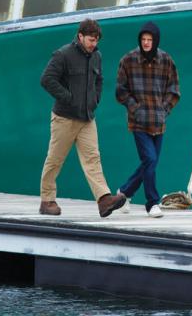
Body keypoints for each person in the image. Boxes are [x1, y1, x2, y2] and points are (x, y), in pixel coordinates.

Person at [39, 18, 126, 217]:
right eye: (91, 40)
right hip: (64, 118)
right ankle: (47, 200)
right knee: (55, 160)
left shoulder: (97, 56)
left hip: (87, 118)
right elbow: (47, 79)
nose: (94, 44)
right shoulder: (63, 54)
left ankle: (104, 200)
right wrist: (67, 97)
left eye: (96, 41)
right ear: (80, 36)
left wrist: (95, 99)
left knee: (93, 159)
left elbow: (99, 80)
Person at [115, 22, 180, 218]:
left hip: (158, 122)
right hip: (138, 122)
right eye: (143, 39)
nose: (146, 43)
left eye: (149, 39)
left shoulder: (166, 60)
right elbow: (120, 91)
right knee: (150, 160)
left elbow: (174, 90)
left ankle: (124, 193)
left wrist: (164, 109)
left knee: (149, 163)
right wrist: (136, 109)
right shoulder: (128, 60)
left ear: (155, 40)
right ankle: (152, 203)